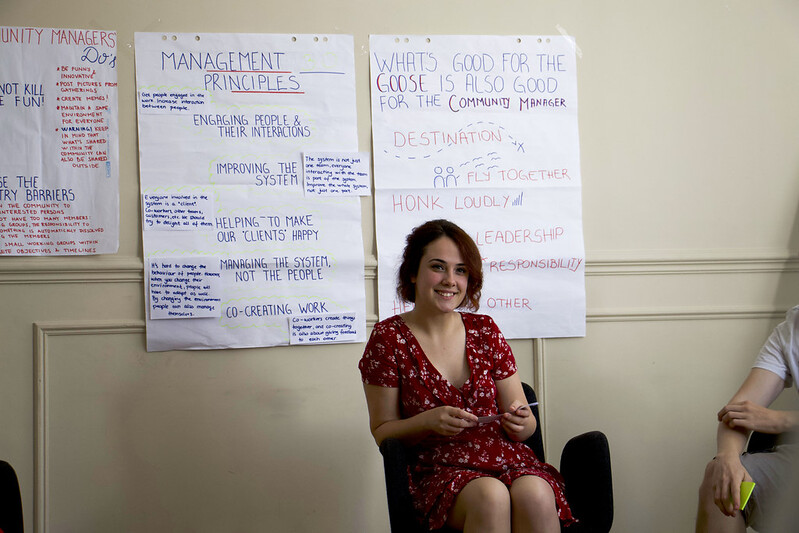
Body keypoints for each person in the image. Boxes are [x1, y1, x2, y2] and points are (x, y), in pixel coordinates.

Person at [359, 219, 574, 532]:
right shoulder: (388, 338)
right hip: (437, 468)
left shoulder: (485, 330)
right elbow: (382, 430)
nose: (450, 280)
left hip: (506, 457)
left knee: (537, 494)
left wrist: (523, 422)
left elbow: (525, 423)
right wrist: (427, 421)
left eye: (460, 270)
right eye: (438, 267)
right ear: (413, 272)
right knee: (490, 496)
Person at [695, 305, 799, 533]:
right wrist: (727, 457)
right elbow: (736, 412)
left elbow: (775, 420)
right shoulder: (791, 331)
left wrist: (785, 420)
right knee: (721, 477)